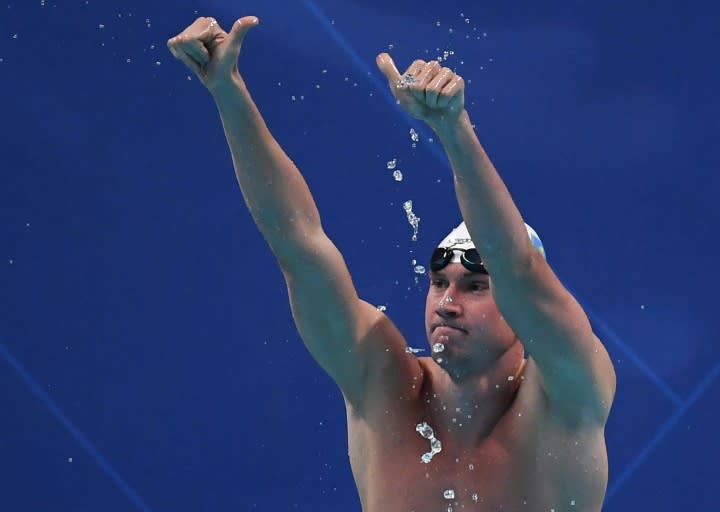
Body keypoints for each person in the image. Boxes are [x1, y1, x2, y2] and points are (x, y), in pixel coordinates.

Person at [168, 15, 617, 512]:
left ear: (522, 312)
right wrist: (227, 92)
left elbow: (517, 268)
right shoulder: (382, 384)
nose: (447, 303)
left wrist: (453, 131)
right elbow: (297, 242)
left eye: (473, 286)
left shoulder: (565, 399)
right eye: (440, 282)